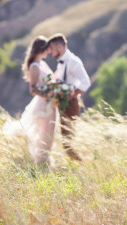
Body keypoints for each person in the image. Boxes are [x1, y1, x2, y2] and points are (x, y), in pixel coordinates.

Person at [3, 36, 57, 165]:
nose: (49, 51)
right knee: (43, 131)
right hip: (43, 103)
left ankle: (44, 159)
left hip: (51, 102)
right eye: (47, 49)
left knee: (50, 130)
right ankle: (41, 160)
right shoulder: (34, 67)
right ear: (41, 49)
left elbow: (51, 80)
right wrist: (48, 94)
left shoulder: (42, 63)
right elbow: (33, 89)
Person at [47, 33, 91, 161]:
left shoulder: (73, 61)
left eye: (51, 48)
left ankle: (81, 165)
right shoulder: (61, 62)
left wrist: (72, 93)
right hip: (62, 104)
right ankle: (77, 164)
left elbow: (86, 82)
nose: (50, 52)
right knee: (65, 139)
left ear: (59, 46)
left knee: (67, 142)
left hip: (70, 105)